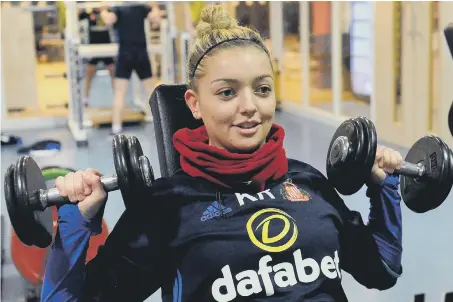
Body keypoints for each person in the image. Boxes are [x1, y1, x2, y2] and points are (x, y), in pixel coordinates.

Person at [41, 5, 404, 302]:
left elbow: (382, 269)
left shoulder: (309, 182)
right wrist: (77, 221)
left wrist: (383, 187)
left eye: (262, 89)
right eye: (227, 93)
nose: (250, 106)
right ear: (194, 104)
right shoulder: (166, 207)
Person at [100, 3, 161, 135]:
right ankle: (162, 124)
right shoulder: (139, 6)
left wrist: (103, 9)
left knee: (120, 92)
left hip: (125, 55)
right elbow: (156, 18)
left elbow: (108, 19)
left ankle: (116, 127)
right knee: (151, 91)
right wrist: (154, 6)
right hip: (140, 54)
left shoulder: (119, 7)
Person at [78, 7, 115, 107]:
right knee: (89, 72)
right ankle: (85, 98)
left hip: (106, 49)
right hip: (94, 49)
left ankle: (117, 97)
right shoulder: (87, 13)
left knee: (113, 71)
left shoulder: (109, 12)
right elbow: (77, 15)